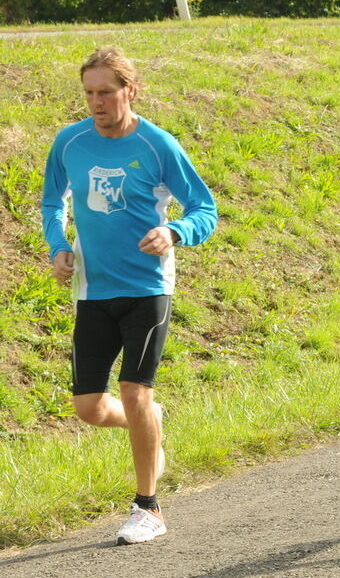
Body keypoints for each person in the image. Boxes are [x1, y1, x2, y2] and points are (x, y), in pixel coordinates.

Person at [41, 48, 217, 545]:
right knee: (89, 408)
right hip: (94, 289)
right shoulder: (70, 142)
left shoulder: (158, 145)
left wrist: (176, 232)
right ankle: (150, 423)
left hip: (147, 286)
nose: (96, 102)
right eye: (89, 93)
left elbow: (205, 208)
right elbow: (54, 200)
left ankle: (149, 508)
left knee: (134, 391)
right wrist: (58, 247)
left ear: (130, 90)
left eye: (106, 92)